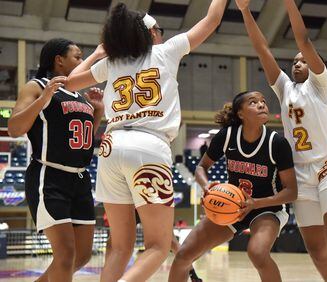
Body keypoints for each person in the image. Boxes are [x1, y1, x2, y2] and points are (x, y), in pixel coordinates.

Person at [64, 1, 227, 281]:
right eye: (159, 30)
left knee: (119, 247)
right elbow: (211, 21)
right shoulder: (165, 52)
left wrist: (96, 54)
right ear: (151, 34)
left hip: (111, 146)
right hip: (148, 146)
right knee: (158, 246)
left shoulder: (111, 63)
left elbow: (69, 83)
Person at [236, 1, 327, 281]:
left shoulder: (320, 85)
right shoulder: (284, 88)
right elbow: (262, 49)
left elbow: (303, 38)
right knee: (315, 247)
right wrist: (244, 11)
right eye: (295, 61)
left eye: (304, 60)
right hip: (300, 172)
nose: (298, 63)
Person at [168, 91, 298, 282]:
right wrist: (207, 186)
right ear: (240, 113)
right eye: (253, 102)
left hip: (268, 208)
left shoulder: (276, 143)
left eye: (263, 101)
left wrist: (255, 203)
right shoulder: (227, 136)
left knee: (257, 253)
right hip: (233, 205)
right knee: (183, 255)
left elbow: (291, 192)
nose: (262, 105)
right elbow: (201, 168)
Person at [8, 38, 104, 282]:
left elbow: (82, 141)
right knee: (65, 255)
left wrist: (98, 113)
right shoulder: (37, 86)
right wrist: (44, 99)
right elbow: (14, 128)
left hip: (81, 178)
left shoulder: (79, 97)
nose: (82, 61)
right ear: (59, 61)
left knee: (81, 256)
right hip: (49, 176)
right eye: (77, 56)